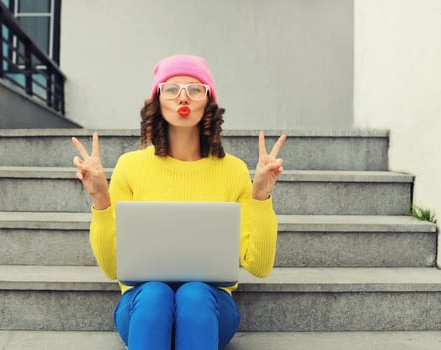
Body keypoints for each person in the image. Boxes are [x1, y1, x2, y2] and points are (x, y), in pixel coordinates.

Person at [72, 54, 286, 350]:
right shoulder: (130, 166)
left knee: (194, 294)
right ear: (157, 100)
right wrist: (100, 199)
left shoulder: (233, 170)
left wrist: (261, 195)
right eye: (171, 88)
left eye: (195, 88)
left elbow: (259, 266)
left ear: (208, 101)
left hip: (210, 308)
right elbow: (112, 269)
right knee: (156, 295)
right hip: (141, 306)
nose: (182, 96)